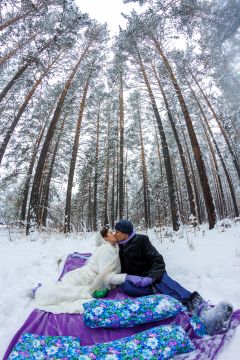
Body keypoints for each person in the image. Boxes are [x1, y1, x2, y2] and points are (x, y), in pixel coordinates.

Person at [113, 219, 233, 335]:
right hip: (138, 280)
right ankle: (160, 296)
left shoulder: (141, 240)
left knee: (166, 284)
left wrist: (151, 277)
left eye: (117, 231)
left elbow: (157, 260)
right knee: (128, 288)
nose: (115, 234)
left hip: (153, 274)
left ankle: (203, 312)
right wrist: (130, 278)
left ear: (125, 232)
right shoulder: (119, 246)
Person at [34, 228, 127, 314]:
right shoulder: (106, 250)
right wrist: (126, 278)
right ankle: (40, 293)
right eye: (111, 233)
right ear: (105, 238)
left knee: (68, 290)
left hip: (84, 275)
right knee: (69, 293)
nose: (114, 234)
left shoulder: (112, 248)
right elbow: (106, 276)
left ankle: (44, 292)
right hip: (85, 277)